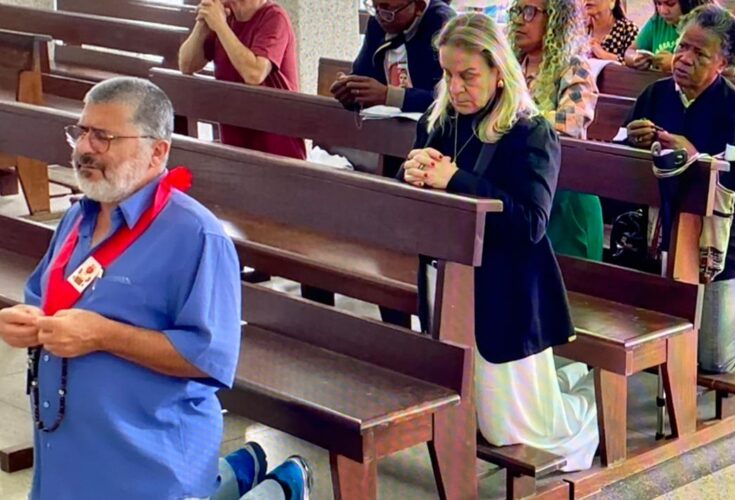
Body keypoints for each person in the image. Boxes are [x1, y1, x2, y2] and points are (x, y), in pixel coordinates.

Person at [0, 78, 245, 498]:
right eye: (81, 132)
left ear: (157, 151)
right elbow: (44, 295)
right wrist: (23, 322)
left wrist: (103, 335)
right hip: (67, 456)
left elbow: (211, 359)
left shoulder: (196, 235)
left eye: (104, 137)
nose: (84, 148)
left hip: (147, 465)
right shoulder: (78, 217)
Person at [400, 13, 598, 471]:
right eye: (448, 75)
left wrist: (454, 180)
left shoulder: (531, 132)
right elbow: (415, 198)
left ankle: (585, 407)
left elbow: (530, 223)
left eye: (468, 75)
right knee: (473, 410)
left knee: (520, 433)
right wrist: (409, 175)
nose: (457, 87)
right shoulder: (441, 121)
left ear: (498, 71)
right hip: (447, 278)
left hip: (507, 289)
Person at [618, 5, 735, 375]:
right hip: (660, 237)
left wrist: (697, 158)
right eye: (682, 47)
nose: (684, 59)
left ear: (723, 63)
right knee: (660, 339)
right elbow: (616, 166)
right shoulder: (654, 96)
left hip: (720, 248)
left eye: (699, 53)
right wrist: (632, 144)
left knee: (716, 358)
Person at [509, 0, 604, 261]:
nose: (519, 20)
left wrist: (511, 120)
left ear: (556, 20)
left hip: (565, 200)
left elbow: (571, 120)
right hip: (521, 194)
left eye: (530, 12)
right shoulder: (510, 65)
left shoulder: (574, 66)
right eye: (516, 11)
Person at [178, 0, 306, 160]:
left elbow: (254, 74)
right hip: (236, 141)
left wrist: (220, 25)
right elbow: (187, 65)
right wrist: (203, 23)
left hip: (277, 146)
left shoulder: (274, 17)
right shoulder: (226, 15)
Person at [330, 0, 456, 113]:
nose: (380, 17)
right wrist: (351, 91)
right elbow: (363, 74)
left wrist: (389, 96)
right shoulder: (377, 24)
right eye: (375, 7)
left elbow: (450, 98)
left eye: (387, 9)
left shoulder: (444, 26)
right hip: (387, 128)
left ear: (419, 6)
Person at [623, 0, 711, 73]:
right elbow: (629, 51)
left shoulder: (704, 27)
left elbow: (711, 66)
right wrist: (635, 59)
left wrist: (674, 63)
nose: (663, 11)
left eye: (670, 4)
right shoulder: (657, 22)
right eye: (658, 3)